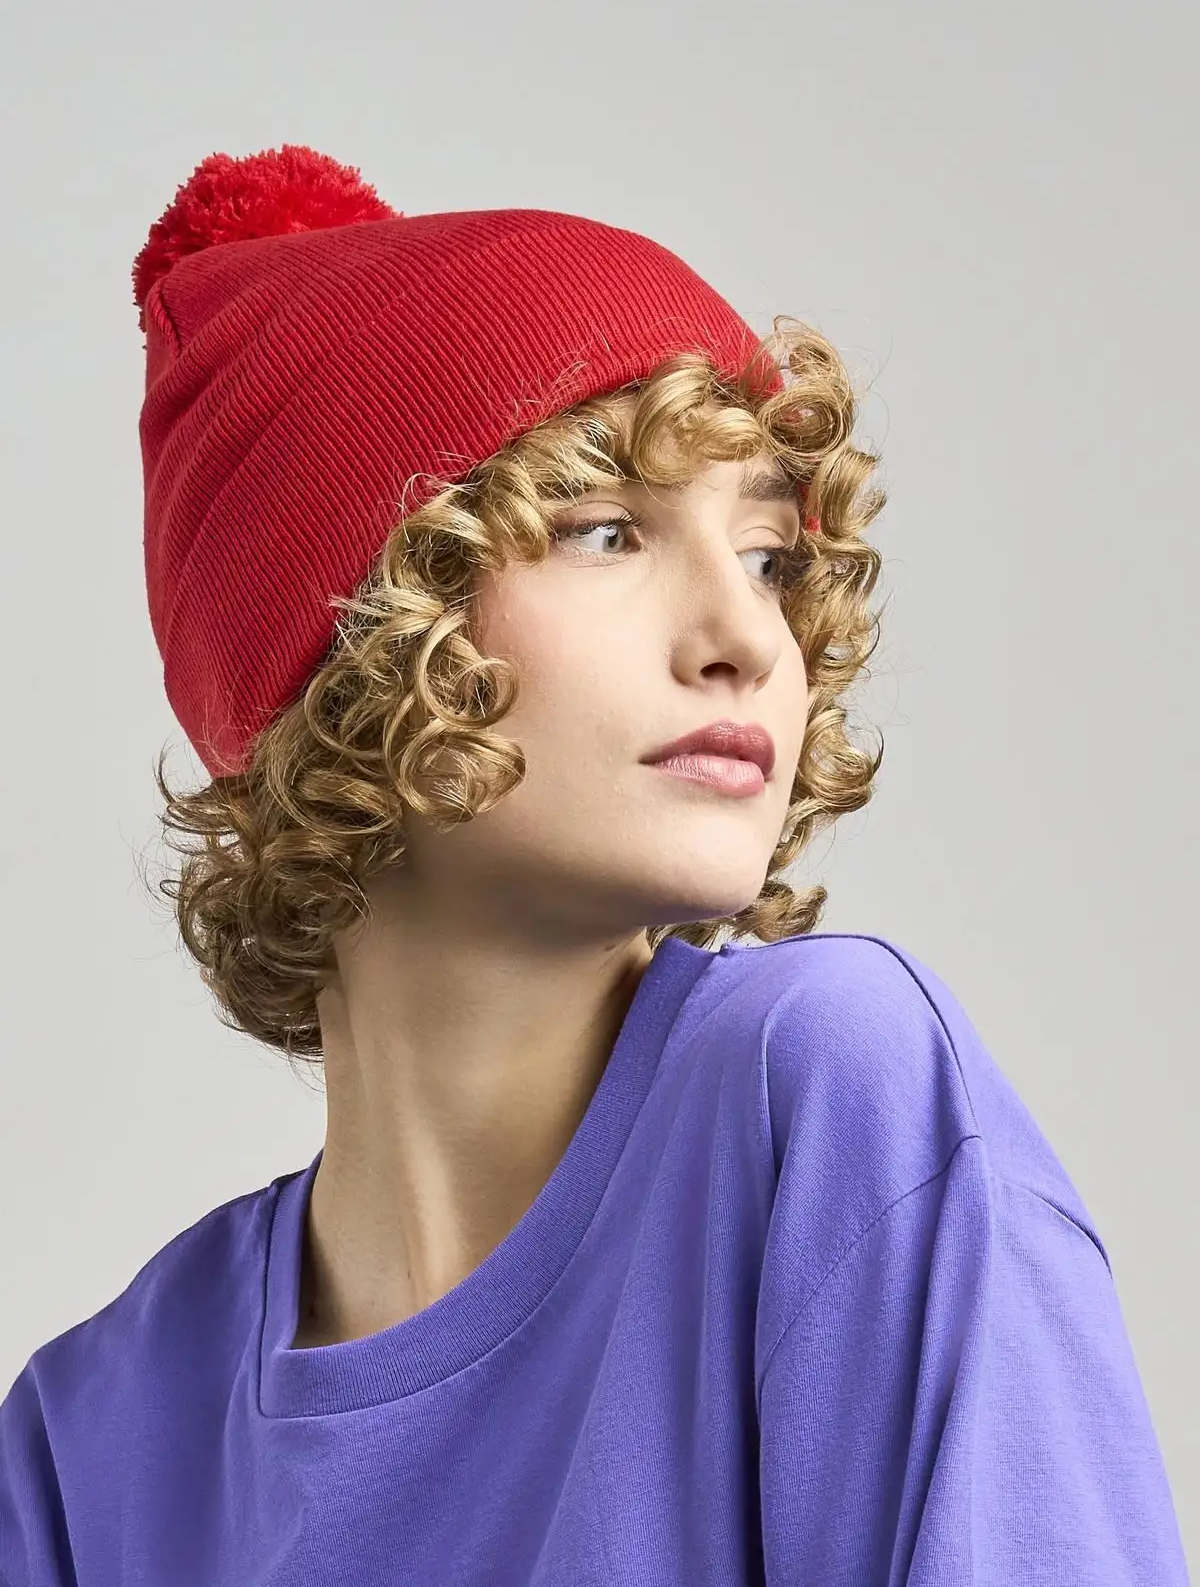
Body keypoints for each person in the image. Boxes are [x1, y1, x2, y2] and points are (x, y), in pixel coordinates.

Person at [0, 144, 1188, 1586]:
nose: (746, 639)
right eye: (607, 533)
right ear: (350, 638)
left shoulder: (825, 1095)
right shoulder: (90, 1444)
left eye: (769, 556)